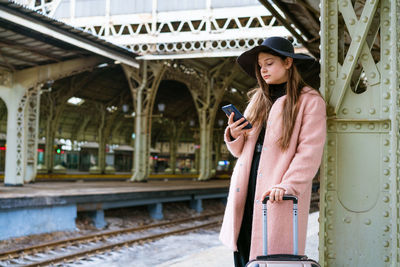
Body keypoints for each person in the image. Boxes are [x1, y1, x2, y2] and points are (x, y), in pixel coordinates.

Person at [219, 36, 326, 266]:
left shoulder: (310, 101)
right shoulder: (258, 100)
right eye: (260, 66)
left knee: (273, 257)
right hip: (246, 189)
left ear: (288, 62)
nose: (263, 70)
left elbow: (309, 152)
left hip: (276, 192)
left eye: (269, 63)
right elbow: (241, 151)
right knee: (244, 249)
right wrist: (234, 135)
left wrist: (289, 185)